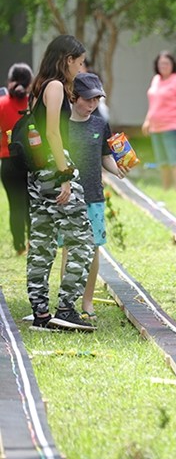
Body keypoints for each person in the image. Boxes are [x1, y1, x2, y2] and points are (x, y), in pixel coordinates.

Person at [26, 35, 96, 332]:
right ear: (67, 59)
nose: (81, 69)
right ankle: (67, 308)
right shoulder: (55, 86)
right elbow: (54, 133)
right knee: (82, 240)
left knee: (42, 241)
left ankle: (41, 312)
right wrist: (65, 174)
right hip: (56, 166)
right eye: (79, 63)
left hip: (37, 169)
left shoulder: (38, 85)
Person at [60, 73, 127, 319]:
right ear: (73, 97)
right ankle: (66, 301)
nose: (92, 105)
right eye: (88, 100)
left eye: (97, 100)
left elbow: (105, 155)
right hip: (67, 197)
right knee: (69, 247)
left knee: (93, 248)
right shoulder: (62, 125)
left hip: (94, 196)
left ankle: (87, 301)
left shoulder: (100, 124)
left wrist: (117, 170)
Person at [141, 51, 176, 190]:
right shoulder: (156, 79)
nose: (163, 66)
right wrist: (147, 120)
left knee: (175, 159)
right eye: (161, 63)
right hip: (156, 127)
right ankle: (166, 188)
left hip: (172, 126)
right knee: (162, 161)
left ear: (173, 65)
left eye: (166, 63)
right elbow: (153, 103)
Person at [0, 63, 33, 255]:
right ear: (29, 84)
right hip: (30, 162)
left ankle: (19, 246)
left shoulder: (2, 104)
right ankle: (32, 242)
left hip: (8, 162)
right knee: (31, 203)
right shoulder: (34, 103)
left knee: (15, 205)